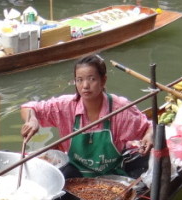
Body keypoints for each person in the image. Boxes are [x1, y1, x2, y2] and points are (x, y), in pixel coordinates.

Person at [19, 55, 152, 179]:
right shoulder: (65, 106)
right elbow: (29, 107)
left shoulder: (120, 109)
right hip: (76, 170)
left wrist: (149, 136)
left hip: (110, 174)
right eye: (79, 80)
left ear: (103, 80)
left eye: (92, 79)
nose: (85, 86)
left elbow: (149, 127)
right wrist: (32, 120)